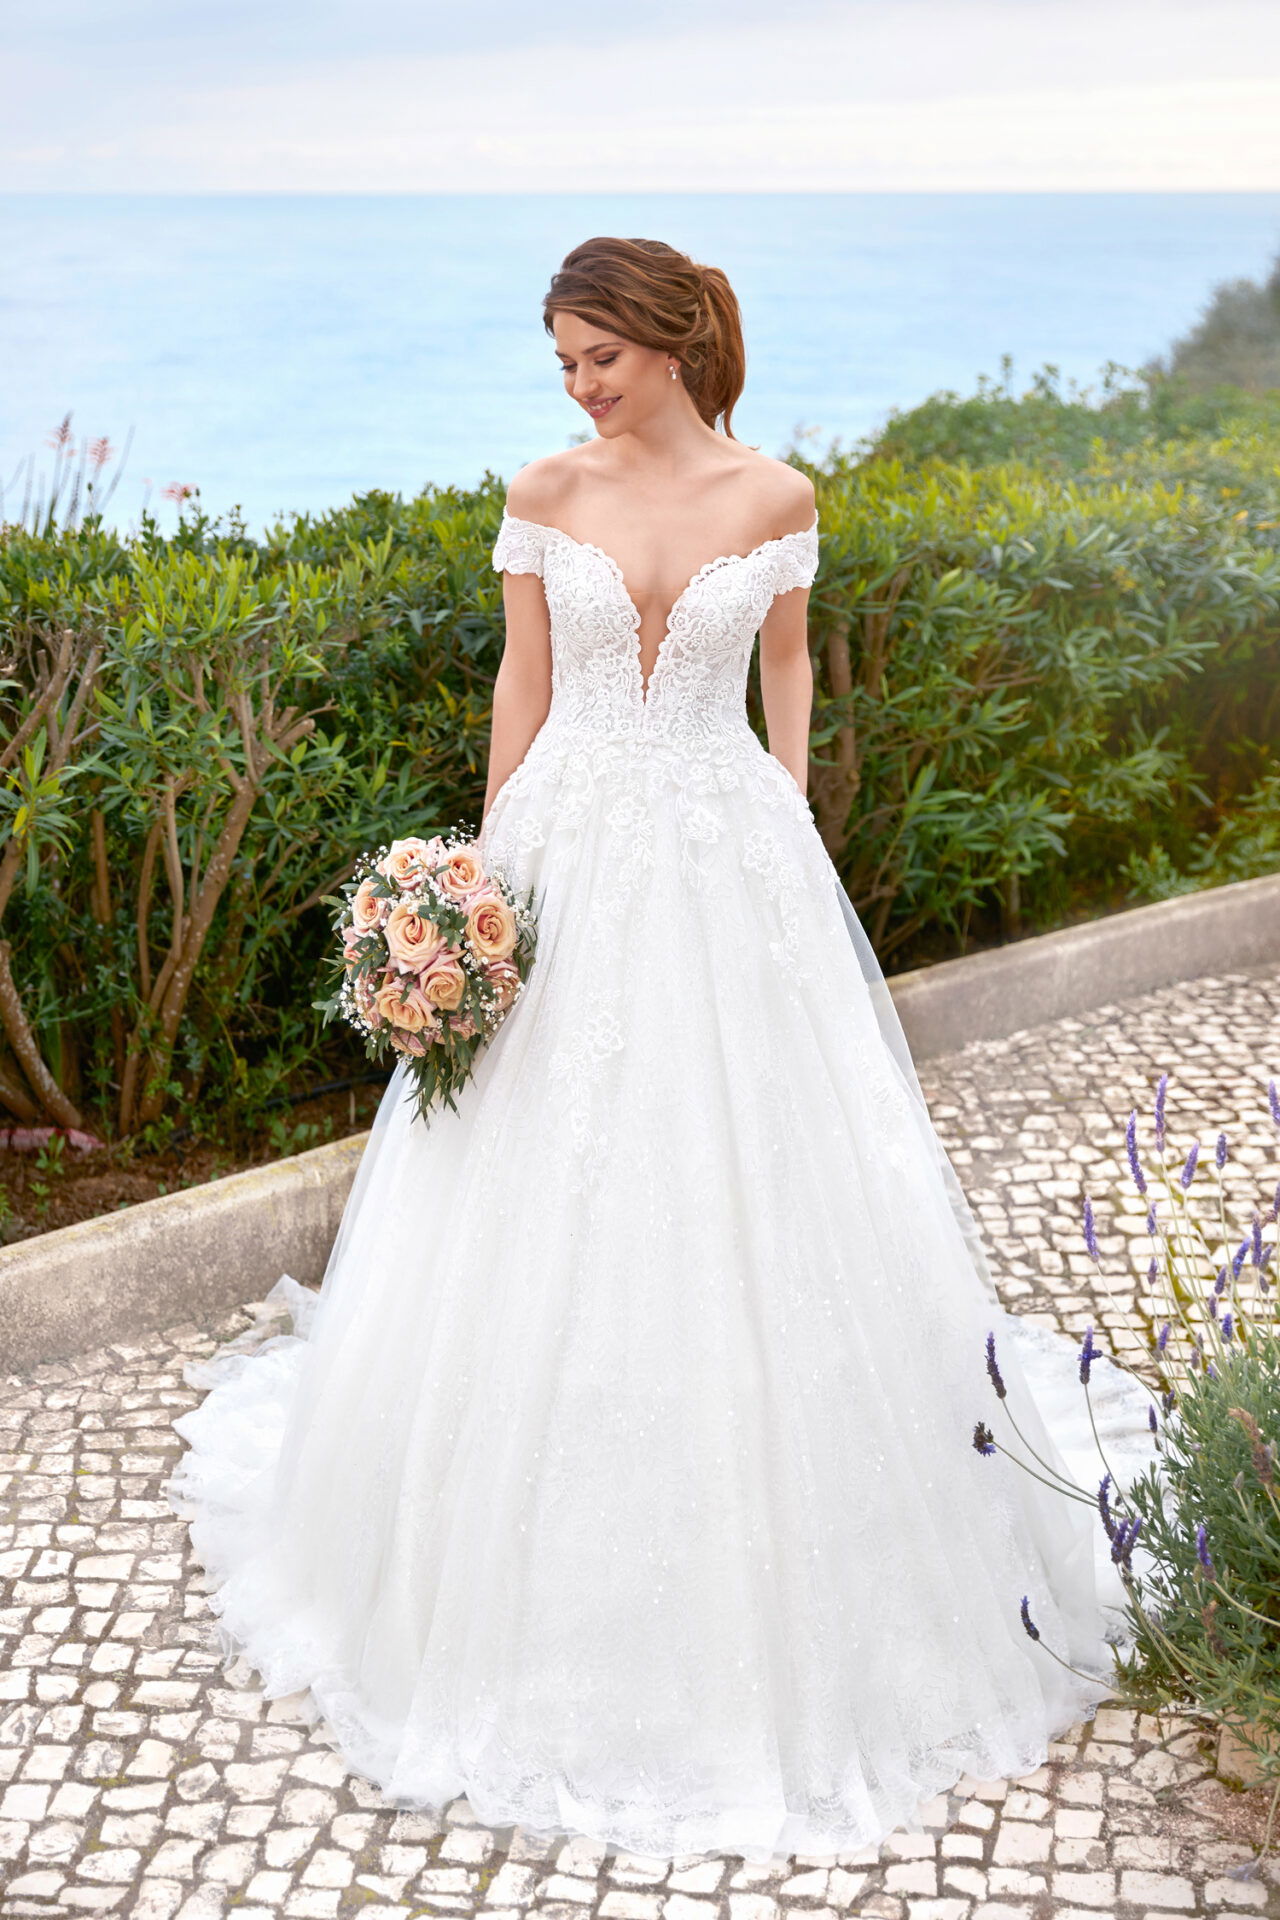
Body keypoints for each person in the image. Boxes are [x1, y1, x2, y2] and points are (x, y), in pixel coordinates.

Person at [169, 235, 1158, 1868]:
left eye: (597, 357)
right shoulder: (543, 488)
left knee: (740, 1187)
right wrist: (479, 885)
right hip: (563, 854)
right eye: (561, 362)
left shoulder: (779, 500)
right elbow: (521, 681)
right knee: (532, 1178)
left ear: (670, 339)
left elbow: (788, 692)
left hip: (724, 862)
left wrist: (789, 847)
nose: (577, 387)